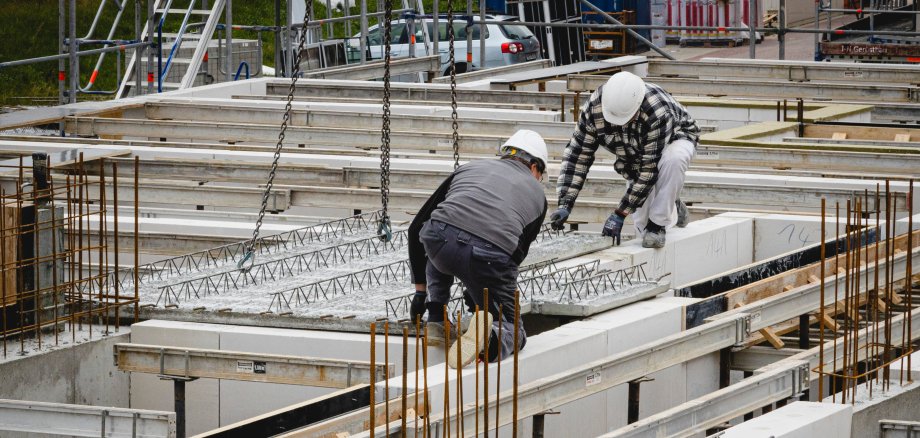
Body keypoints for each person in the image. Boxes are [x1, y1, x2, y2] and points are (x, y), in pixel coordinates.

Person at [407, 129, 548, 368]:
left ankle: (436, 318)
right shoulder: (539, 197)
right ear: (534, 166)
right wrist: (481, 299)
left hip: (439, 240)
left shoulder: (470, 168)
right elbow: (513, 256)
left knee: (440, 235)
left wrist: (421, 294)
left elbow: (416, 228)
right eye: (540, 174)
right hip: (489, 254)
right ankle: (490, 338)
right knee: (514, 331)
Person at [550, 71, 699, 248]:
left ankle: (659, 222)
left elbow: (648, 170)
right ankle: (671, 199)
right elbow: (578, 156)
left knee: (673, 161)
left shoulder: (656, 111)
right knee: (641, 225)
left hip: (675, 138)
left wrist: (620, 213)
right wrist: (565, 203)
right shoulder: (594, 109)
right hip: (633, 152)